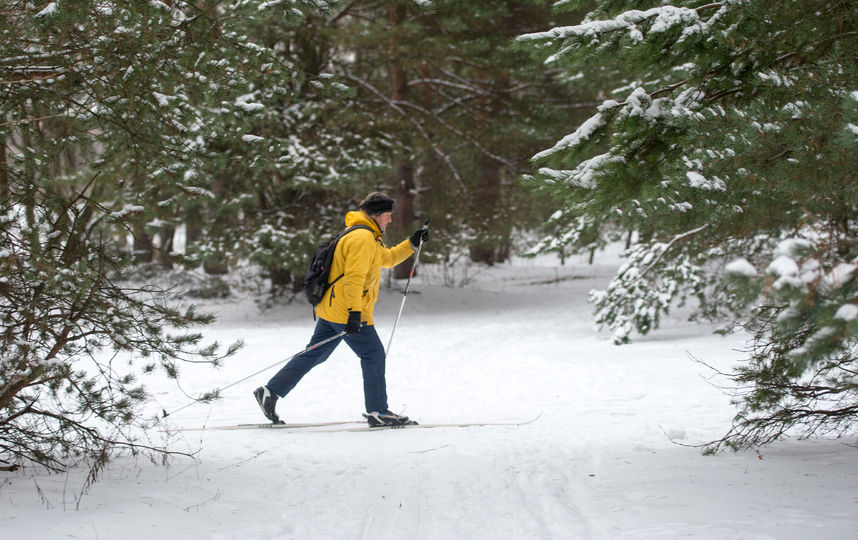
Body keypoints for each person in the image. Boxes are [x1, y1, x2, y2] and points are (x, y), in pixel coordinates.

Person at [254, 192, 429, 427]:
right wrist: (355, 314)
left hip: (332, 308)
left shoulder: (367, 235)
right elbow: (353, 279)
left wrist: (411, 243)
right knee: (373, 354)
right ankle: (379, 411)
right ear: (376, 215)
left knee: (315, 352)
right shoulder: (362, 238)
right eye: (387, 216)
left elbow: (386, 259)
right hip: (346, 309)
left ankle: (271, 391)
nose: (389, 220)